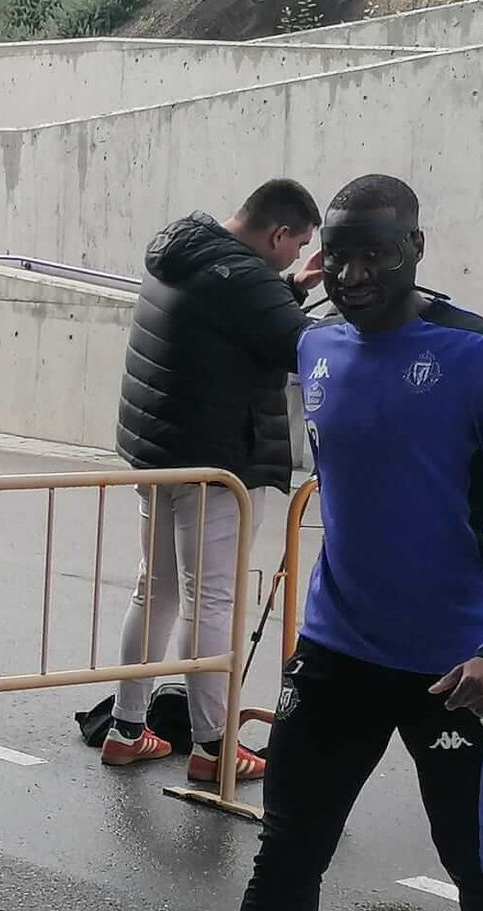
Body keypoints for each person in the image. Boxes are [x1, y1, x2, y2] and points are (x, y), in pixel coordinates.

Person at [213, 174, 483, 911]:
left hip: (456, 668)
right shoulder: (317, 348)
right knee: (286, 857)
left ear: (417, 248)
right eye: (341, 256)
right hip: (336, 653)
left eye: (379, 254)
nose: (358, 274)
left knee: (474, 858)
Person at [103, 179, 325, 782]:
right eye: (298, 244)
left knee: (158, 589)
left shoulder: (188, 249)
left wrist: (290, 290)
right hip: (218, 462)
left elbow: (238, 321)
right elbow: (308, 350)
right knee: (212, 599)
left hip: (159, 452)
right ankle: (214, 747)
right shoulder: (244, 279)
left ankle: (126, 729)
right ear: (278, 234)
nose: (296, 254)